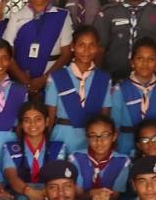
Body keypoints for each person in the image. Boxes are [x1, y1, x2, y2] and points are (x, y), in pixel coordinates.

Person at [4, 0, 73, 96]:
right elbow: (7, 54)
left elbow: (66, 54)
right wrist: (25, 82)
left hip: (52, 82)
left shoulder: (62, 16)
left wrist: (44, 79)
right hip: (21, 82)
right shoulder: (16, 17)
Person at [108, 37, 156, 157]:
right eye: (140, 58)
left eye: (151, 59)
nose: (145, 63)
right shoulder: (120, 90)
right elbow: (114, 127)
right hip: (125, 148)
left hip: (155, 150)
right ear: (132, 62)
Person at [45, 25, 111, 153]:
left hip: (92, 141)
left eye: (91, 45)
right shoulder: (57, 77)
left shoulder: (104, 79)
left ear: (97, 48)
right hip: (62, 138)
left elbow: (105, 116)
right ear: (73, 46)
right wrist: (47, 143)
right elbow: (51, 115)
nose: (86, 50)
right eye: (81, 45)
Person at [1, 101, 67, 200]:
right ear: (21, 124)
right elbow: (11, 177)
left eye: (38, 119)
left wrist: (41, 194)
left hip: (49, 197)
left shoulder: (58, 147)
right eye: (27, 120)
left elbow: (57, 178)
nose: (33, 124)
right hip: (20, 198)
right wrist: (29, 192)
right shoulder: (10, 148)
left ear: (47, 121)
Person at [69, 113, 130, 200]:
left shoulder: (123, 161)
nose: (99, 141)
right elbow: (78, 195)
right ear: (87, 137)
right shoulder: (76, 158)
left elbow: (115, 196)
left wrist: (103, 196)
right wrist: (91, 194)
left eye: (105, 135)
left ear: (114, 136)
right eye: (93, 136)